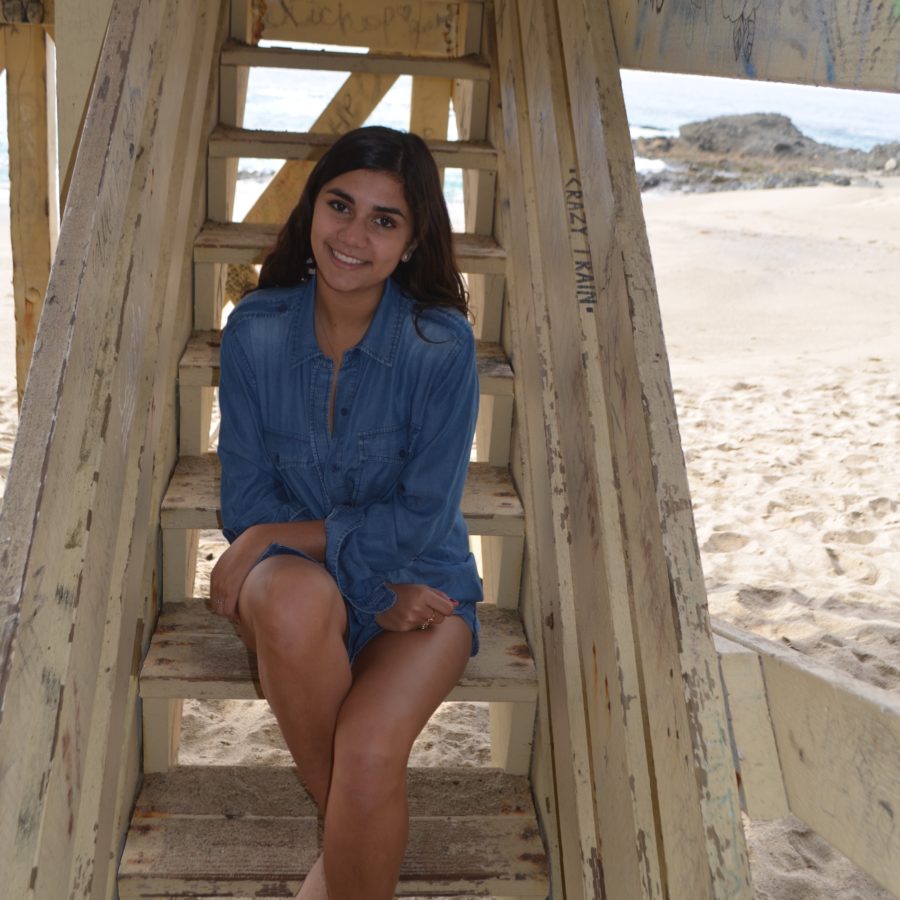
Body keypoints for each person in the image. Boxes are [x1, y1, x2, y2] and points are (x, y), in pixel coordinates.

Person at [209, 125, 483, 900]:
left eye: (383, 220)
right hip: (295, 590)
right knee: (294, 600)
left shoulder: (441, 346)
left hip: (422, 585)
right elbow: (245, 501)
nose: (353, 236)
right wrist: (349, 580)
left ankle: (339, 868)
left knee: (365, 754)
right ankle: (353, 849)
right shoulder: (256, 330)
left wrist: (277, 539)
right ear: (313, 206)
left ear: (412, 239)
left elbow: (424, 515)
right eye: (340, 206)